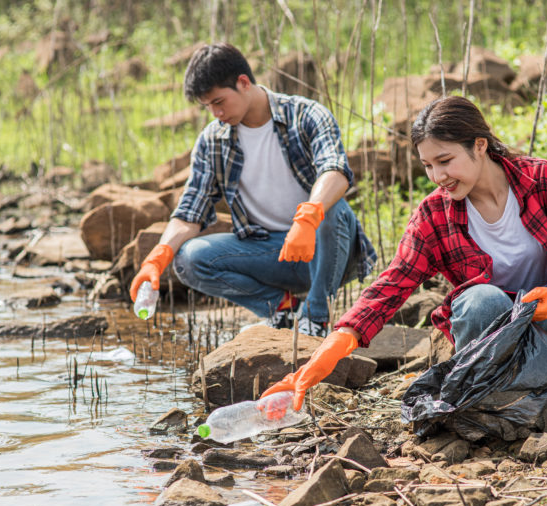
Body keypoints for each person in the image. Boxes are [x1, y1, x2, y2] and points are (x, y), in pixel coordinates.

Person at [263, 95, 547, 409]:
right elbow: (391, 284)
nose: (437, 176)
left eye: (445, 160)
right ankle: (491, 397)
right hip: (488, 335)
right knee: (482, 301)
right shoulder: (434, 214)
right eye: (428, 165)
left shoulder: (543, 180)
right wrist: (331, 349)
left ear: (479, 145)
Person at [129, 43, 376, 337]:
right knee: (188, 259)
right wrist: (158, 256)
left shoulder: (307, 114)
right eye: (208, 107)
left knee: (333, 207)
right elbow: (190, 211)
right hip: (272, 254)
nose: (216, 113)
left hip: (328, 249)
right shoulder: (213, 140)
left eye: (219, 101)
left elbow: (335, 171)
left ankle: (316, 317)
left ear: (244, 83)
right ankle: (282, 311)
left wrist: (307, 218)